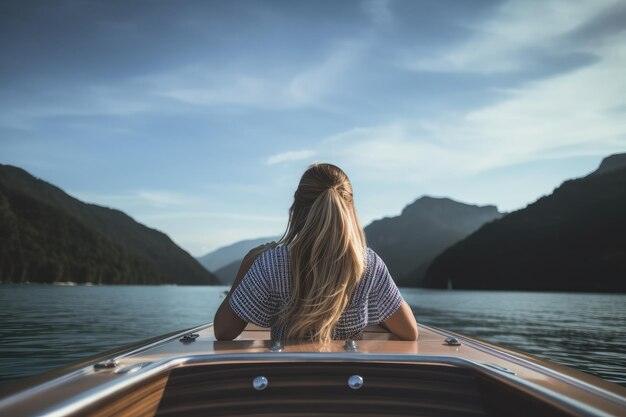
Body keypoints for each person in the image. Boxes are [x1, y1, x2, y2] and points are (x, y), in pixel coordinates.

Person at [214, 163, 418, 342]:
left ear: (296, 207)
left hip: (288, 377)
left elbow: (224, 331)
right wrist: (378, 313)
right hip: (348, 381)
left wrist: (247, 266)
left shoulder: (270, 263)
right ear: (350, 209)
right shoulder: (368, 264)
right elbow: (409, 332)